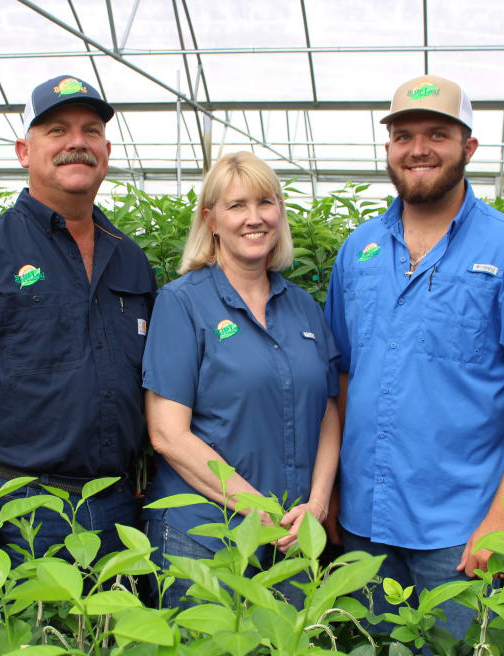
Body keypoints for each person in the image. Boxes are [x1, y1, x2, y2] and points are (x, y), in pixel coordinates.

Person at [324, 75, 504, 639]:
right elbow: (340, 376)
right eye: (403, 135)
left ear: (469, 148)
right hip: (365, 521)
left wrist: (503, 517)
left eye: (438, 133)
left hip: (458, 532)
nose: (418, 148)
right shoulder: (357, 250)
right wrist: (333, 491)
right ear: (389, 149)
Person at [0, 74, 156, 595]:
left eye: (91, 131)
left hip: (116, 506)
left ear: (106, 151)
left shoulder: (129, 259)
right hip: (18, 507)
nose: (77, 143)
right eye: (56, 130)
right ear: (24, 150)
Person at [142, 151, 341, 608]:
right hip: (207, 538)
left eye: (266, 202)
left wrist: (318, 503)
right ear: (210, 219)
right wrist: (261, 510)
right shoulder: (183, 303)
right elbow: (167, 434)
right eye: (236, 206)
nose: (255, 218)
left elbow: (328, 409)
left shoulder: (304, 308)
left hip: (291, 539)